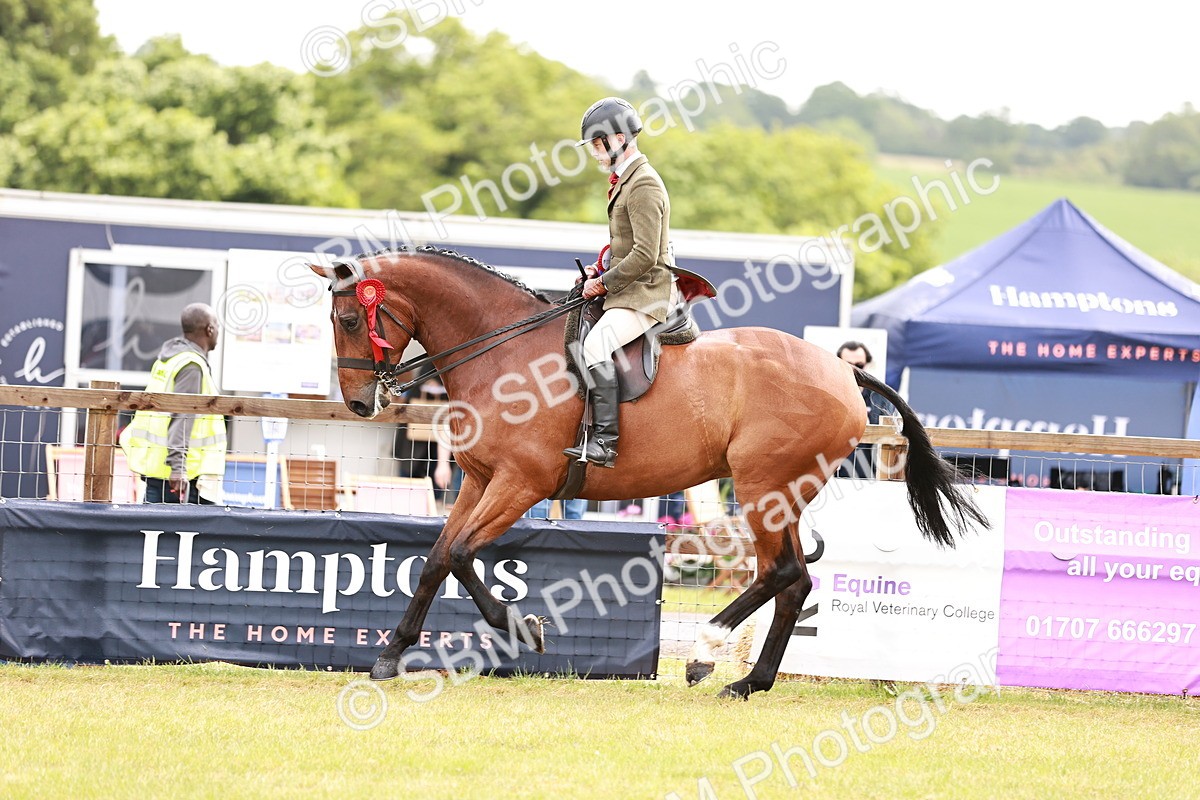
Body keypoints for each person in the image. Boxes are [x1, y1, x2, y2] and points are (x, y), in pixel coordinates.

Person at [563, 96, 680, 468]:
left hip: (646, 293)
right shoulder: (626, 180)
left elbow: (646, 255)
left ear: (619, 139)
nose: (595, 153)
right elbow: (625, 244)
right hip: (629, 286)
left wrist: (604, 283)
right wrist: (600, 270)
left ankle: (605, 443)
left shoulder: (643, 184)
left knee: (595, 345)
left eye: (598, 145)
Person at [120, 303, 226, 504]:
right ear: (209, 329)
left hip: (161, 470)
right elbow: (182, 417)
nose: (218, 332)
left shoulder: (170, 359)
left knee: (154, 532)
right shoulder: (191, 366)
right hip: (181, 478)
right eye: (217, 326)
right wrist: (178, 467)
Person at [836, 340, 893, 479]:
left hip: (870, 479)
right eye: (847, 364)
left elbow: (891, 437)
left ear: (867, 364)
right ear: (838, 363)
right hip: (832, 478)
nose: (854, 369)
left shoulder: (880, 398)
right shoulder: (830, 395)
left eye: (859, 365)